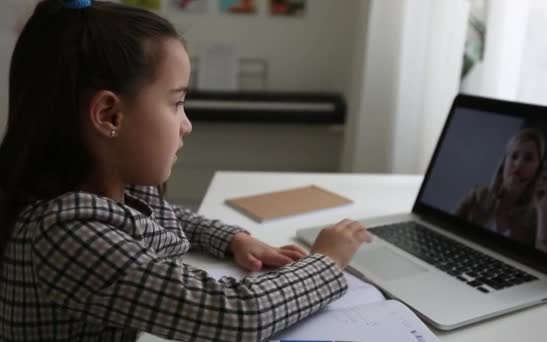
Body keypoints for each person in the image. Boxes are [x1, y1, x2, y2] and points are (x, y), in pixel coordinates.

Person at [0, 1, 370, 341]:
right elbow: (235, 316)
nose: (186, 124)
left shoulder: (108, 191)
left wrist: (233, 240)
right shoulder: (66, 235)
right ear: (109, 115)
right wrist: (328, 261)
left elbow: (167, 217)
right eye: (176, 103)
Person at [455, 128, 547, 257]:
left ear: (538, 171)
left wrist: (543, 209)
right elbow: (446, 228)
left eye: (528, 158)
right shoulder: (478, 194)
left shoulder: (536, 218)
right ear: (504, 163)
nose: (518, 164)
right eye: (514, 156)